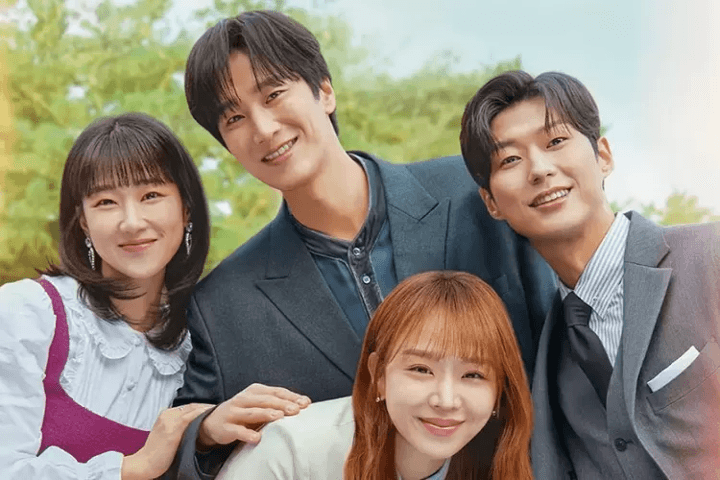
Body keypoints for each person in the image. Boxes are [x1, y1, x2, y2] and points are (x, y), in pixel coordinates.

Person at [169, 9, 555, 479]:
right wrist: (205, 433)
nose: (264, 127)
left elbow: (565, 341)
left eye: (273, 94)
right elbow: (184, 445)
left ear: (325, 91)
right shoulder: (224, 305)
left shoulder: (475, 192)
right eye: (234, 118)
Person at [460, 70, 720, 479]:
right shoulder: (545, 360)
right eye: (510, 159)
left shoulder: (710, 256)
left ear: (603, 156)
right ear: (491, 202)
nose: (539, 169)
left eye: (555, 141)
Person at [1, 112, 213, 479]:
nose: (131, 222)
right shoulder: (28, 314)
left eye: (151, 195)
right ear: (83, 220)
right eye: (105, 202)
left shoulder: (201, 347)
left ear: (186, 208)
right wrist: (134, 467)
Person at [215, 271, 533, 480]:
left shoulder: (498, 459)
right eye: (421, 370)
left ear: (499, 390)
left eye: (473, 375)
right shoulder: (291, 450)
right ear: (379, 375)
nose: (446, 400)